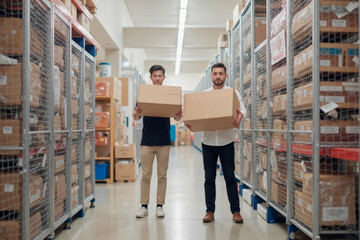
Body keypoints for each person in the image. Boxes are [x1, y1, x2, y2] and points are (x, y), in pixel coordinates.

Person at [186, 62, 246, 223]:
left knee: (230, 178)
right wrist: (190, 122)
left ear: (225, 75)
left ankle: (236, 212)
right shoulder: (205, 95)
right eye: (215, 73)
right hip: (208, 142)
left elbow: (243, 110)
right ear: (211, 76)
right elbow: (195, 113)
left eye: (220, 73)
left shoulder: (232, 93)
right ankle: (210, 211)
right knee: (209, 178)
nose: (218, 76)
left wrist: (240, 117)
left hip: (226, 142)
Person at [133, 65, 182, 218]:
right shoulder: (144, 94)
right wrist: (136, 113)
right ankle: (144, 206)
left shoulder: (169, 95)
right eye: (155, 76)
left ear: (164, 77)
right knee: (146, 175)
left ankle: (160, 206)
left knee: (162, 176)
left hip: (163, 141)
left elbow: (177, 117)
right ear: (151, 77)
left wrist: (180, 114)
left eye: (160, 76)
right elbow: (136, 117)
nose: (157, 78)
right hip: (147, 141)